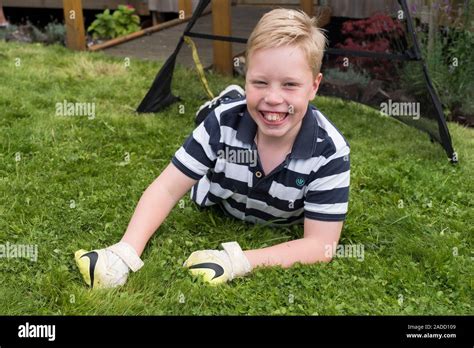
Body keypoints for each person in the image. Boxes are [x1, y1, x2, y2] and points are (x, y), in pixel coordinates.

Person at [75, 8, 351, 288]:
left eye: (290, 85)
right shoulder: (222, 124)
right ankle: (226, 100)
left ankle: (232, 98)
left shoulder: (330, 152)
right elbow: (167, 188)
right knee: (216, 115)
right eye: (260, 82)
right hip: (219, 183)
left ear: (314, 86)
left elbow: (320, 245)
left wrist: (236, 261)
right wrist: (125, 251)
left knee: (239, 111)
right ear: (246, 76)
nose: (273, 97)